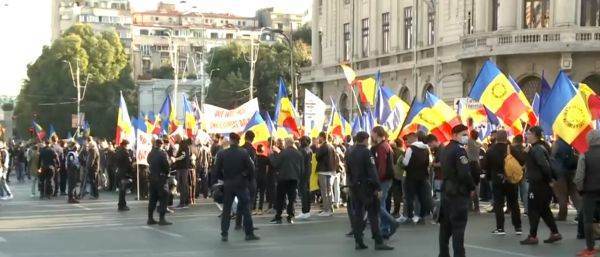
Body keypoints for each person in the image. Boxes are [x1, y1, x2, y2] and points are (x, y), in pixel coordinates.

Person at [347, 132, 394, 251]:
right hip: (367, 187)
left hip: (355, 187)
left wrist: (351, 184)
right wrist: (377, 187)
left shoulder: (350, 152)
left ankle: (358, 241)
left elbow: (348, 171)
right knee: (373, 214)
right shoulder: (367, 152)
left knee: (358, 214)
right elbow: (372, 170)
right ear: (365, 139)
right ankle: (378, 241)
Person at [213, 132, 259, 242]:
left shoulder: (222, 153)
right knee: (246, 208)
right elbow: (251, 168)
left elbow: (216, 171)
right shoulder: (243, 153)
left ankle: (224, 233)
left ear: (230, 141)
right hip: (241, 184)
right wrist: (247, 177)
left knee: (226, 210)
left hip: (228, 183)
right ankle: (249, 233)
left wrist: (224, 178)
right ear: (238, 141)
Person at [520, 126, 562, 245]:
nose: (526, 135)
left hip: (538, 184)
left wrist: (549, 180)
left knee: (533, 210)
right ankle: (555, 233)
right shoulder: (536, 148)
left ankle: (533, 236)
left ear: (534, 135)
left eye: (528, 133)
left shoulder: (537, 149)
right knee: (544, 209)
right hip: (541, 184)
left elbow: (544, 166)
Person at [438, 124, 475, 257]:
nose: (466, 137)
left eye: (467, 134)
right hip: (458, 192)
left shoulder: (445, 148)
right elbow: (464, 173)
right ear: (454, 135)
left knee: (445, 227)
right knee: (458, 227)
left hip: (446, 190)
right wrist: (472, 187)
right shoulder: (459, 150)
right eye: (463, 134)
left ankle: (443, 253)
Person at [483, 130, 522, 235]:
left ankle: (500, 228)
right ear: (506, 138)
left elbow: (485, 166)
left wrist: (489, 177)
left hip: (497, 179)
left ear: (496, 138)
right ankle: (518, 227)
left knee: (498, 204)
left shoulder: (491, 150)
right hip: (510, 179)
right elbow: (522, 160)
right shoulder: (511, 149)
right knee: (514, 204)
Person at [371, 126, 400, 238]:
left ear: (377, 133)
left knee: (379, 204)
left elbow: (381, 166)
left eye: (372, 133)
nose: (371, 135)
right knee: (380, 203)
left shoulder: (382, 147)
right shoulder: (384, 145)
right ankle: (384, 228)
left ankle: (390, 223)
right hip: (385, 179)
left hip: (383, 180)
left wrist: (377, 180)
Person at [269, 138, 303, 224]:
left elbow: (276, 164)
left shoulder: (283, 153)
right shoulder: (298, 154)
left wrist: (271, 156)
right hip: (294, 179)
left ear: (287, 144)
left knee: (280, 197)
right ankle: (290, 216)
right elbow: (302, 168)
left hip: (283, 178)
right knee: (291, 198)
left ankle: (278, 216)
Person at [401, 132, 431, 225]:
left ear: (412, 138)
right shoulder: (426, 148)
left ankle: (409, 217)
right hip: (423, 176)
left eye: (408, 139)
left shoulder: (410, 149)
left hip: (411, 176)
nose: (407, 141)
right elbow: (428, 162)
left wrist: (402, 160)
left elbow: (406, 163)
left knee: (409, 197)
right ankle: (422, 217)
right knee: (422, 197)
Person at [550, 137, 581, 221]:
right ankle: (581, 213)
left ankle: (562, 214)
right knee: (574, 193)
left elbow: (552, 157)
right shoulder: (572, 143)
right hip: (572, 170)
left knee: (562, 194)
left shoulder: (557, 143)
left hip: (560, 172)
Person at [147, 139, 172, 226]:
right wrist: (167, 171)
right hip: (161, 178)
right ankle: (162, 219)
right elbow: (166, 165)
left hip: (152, 178)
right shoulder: (162, 153)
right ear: (161, 145)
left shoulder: (150, 153)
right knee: (163, 198)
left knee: (152, 199)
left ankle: (150, 218)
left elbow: (148, 161)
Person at [315, 131, 336, 217]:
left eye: (319, 137)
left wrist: (317, 147)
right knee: (329, 190)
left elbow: (317, 156)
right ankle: (330, 209)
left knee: (324, 191)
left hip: (323, 171)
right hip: (330, 170)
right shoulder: (331, 146)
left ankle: (326, 209)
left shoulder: (323, 146)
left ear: (322, 137)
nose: (318, 139)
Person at [173, 135, 193, 209]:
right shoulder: (183, 145)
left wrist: (176, 159)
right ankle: (185, 202)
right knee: (184, 185)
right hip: (183, 168)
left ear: (179, 138)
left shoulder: (183, 145)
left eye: (175, 138)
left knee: (182, 185)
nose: (175, 139)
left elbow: (183, 156)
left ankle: (182, 203)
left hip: (183, 168)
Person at [297, 136, 313, 220]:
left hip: (303, 174)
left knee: (304, 193)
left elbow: (301, 163)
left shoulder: (303, 151)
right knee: (306, 192)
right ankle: (307, 210)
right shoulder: (309, 149)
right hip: (308, 173)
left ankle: (305, 211)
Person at [115, 140, 133, 211]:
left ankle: (121, 204)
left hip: (119, 171)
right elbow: (128, 163)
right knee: (123, 190)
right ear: (125, 145)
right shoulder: (125, 152)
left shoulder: (118, 151)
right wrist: (131, 170)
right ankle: (122, 205)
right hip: (124, 173)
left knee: (121, 190)